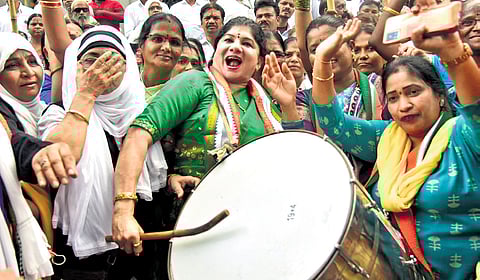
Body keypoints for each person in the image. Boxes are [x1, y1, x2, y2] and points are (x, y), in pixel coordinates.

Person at [289, 14, 480, 278]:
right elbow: (333, 123)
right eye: (393, 97)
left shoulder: (465, 136)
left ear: (439, 94)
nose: (404, 105)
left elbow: (476, 107)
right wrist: (321, 59)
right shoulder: (387, 137)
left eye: (414, 92)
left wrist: (453, 49)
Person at [112, 16, 285, 256]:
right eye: (229, 40)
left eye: (247, 44)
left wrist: (287, 105)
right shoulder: (195, 82)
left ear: (259, 62)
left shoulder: (264, 102)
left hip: (249, 223)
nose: (236, 46)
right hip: (192, 220)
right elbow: (139, 134)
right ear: (216, 50)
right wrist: (123, 210)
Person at [38, 25, 170, 279]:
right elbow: (61, 158)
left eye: (112, 61)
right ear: (76, 68)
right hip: (83, 265)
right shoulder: (58, 113)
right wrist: (86, 93)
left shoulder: (143, 116)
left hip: (139, 252)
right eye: (91, 60)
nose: (101, 67)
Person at [0, 32, 78, 280]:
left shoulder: (44, 110)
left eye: (32, 61)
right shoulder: (3, 114)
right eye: (12, 65)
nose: (27, 72)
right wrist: (41, 152)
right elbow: (13, 140)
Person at [138, 13, 186, 102]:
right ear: (141, 44)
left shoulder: (184, 96)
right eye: (157, 39)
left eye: (175, 43)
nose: (166, 47)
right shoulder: (123, 85)